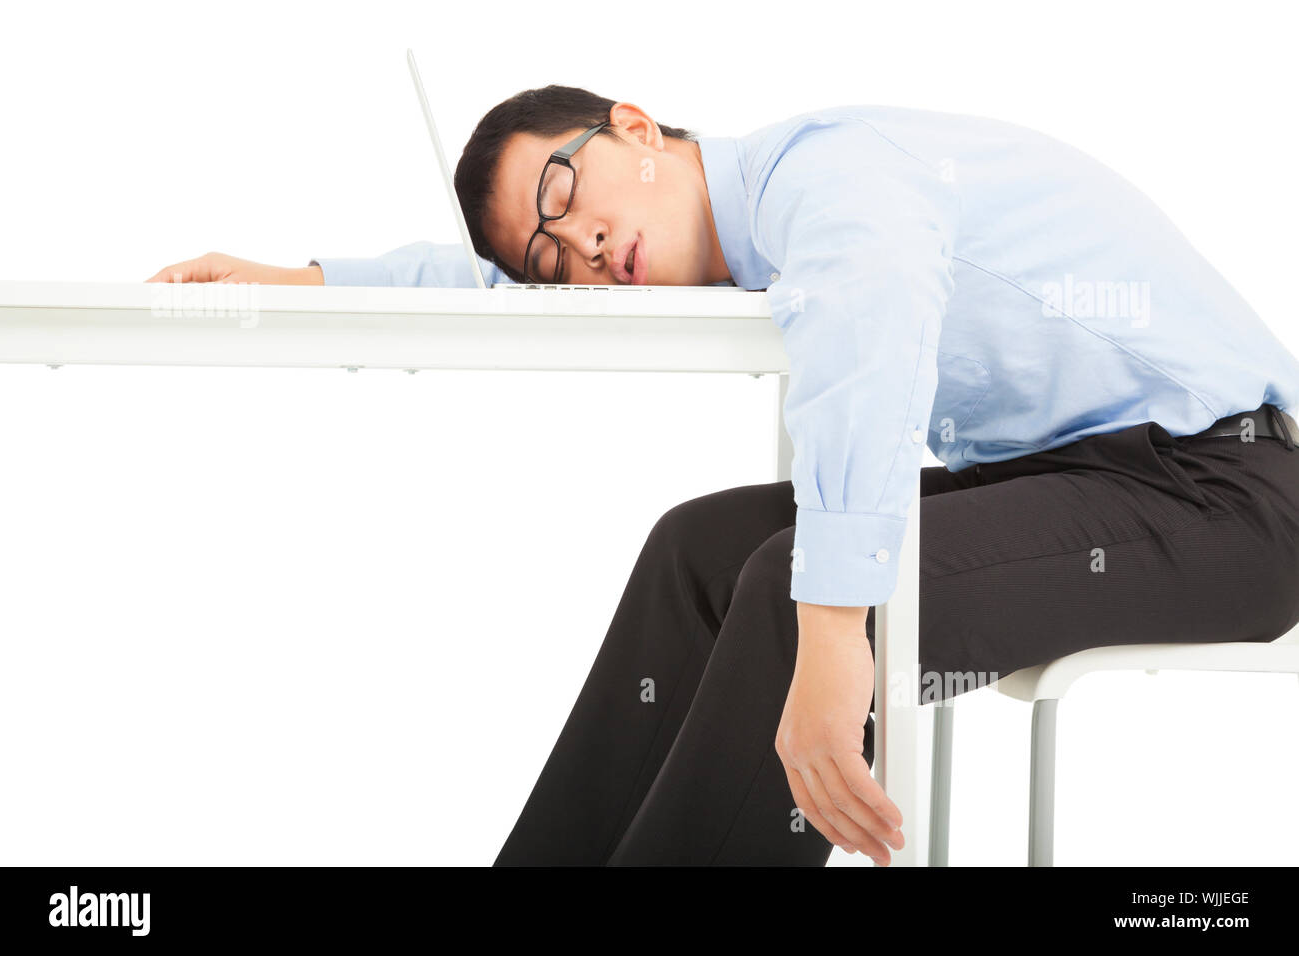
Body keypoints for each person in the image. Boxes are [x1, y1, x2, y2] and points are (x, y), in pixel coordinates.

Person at [147, 88, 1299, 867]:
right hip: (1099, 480)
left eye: (564, 198)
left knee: (792, 586)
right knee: (698, 549)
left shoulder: (828, 175)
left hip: (1232, 498)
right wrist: (308, 279)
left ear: (634, 128)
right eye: (551, 257)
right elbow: (487, 276)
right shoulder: (747, 230)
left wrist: (838, 632)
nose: (579, 249)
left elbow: (873, 324)